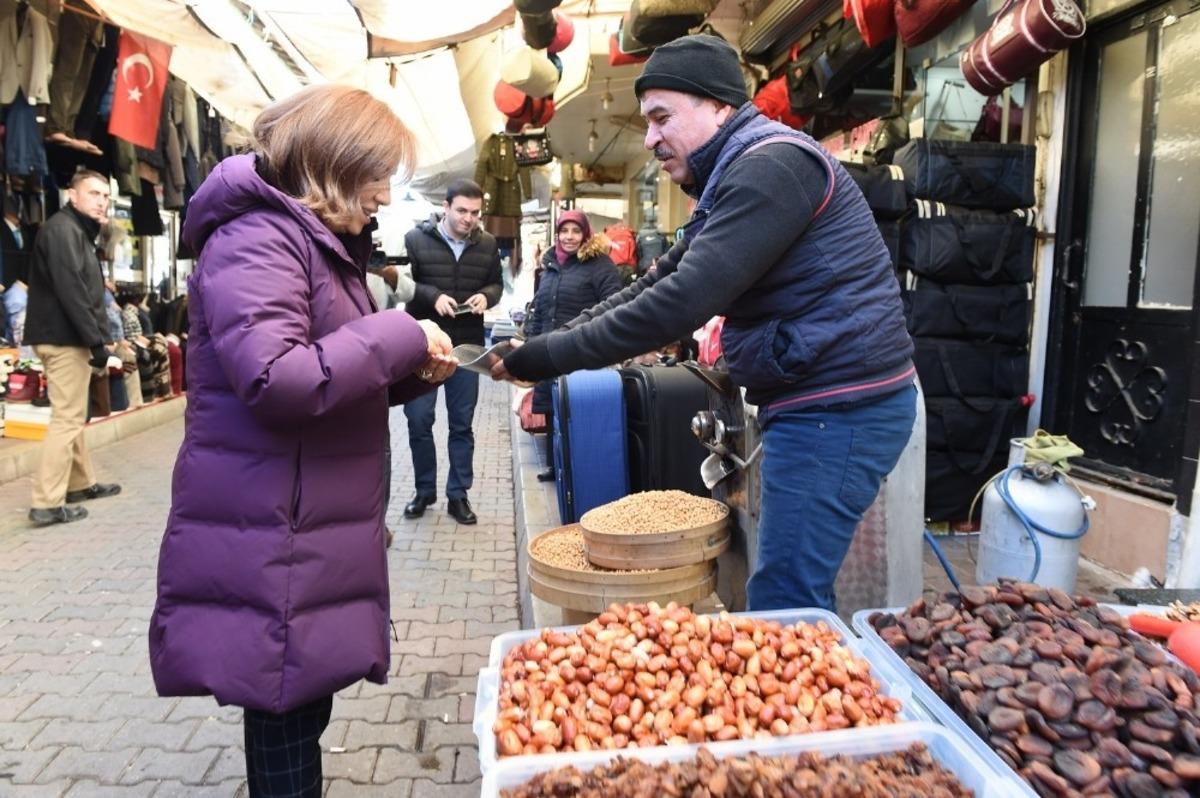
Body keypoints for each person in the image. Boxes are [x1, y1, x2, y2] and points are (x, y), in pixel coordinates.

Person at [493, 35, 916, 613]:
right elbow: (654, 282)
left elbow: (679, 303)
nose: (651, 139)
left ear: (719, 106)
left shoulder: (772, 167)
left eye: (662, 117)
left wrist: (548, 359)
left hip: (839, 407)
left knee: (784, 597)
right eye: (647, 122)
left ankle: (814, 697)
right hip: (815, 400)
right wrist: (541, 345)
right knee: (783, 586)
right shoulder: (732, 175)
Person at [147, 84, 456, 798]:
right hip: (273, 522)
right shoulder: (258, 235)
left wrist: (414, 369)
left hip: (302, 519)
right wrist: (399, 333)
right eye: (377, 170)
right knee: (283, 707)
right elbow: (281, 380)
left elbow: (336, 373)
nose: (384, 191)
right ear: (334, 162)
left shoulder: (315, 241)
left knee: (297, 701)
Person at [23, 170, 122, 527]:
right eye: (94, 193)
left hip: (66, 335)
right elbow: (72, 290)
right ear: (72, 194)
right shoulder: (64, 230)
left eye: (106, 197)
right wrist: (96, 340)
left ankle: (81, 484)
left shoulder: (73, 230)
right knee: (66, 418)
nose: (101, 201)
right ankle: (47, 502)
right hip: (64, 338)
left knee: (72, 412)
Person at [401, 178, 502, 525]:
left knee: (462, 425)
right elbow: (403, 290)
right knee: (418, 420)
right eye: (461, 210)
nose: (468, 218)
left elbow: (497, 284)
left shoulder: (487, 244)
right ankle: (423, 490)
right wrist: (433, 297)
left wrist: (487, 296)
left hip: (467, 348)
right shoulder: (415, 240)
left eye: (475, 212)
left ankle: (458, 495)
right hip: (423, 348)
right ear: (445, 207)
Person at [524, 210, 622, 481]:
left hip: (580, 350)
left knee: (576, 412)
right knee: (552, 410)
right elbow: (540, 310)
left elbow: (614, 304)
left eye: (575, 231)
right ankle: (556, 466)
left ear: (586, 234)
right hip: (547, 348)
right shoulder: (550, 266)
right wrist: (530, 345)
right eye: (564, 231)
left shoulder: (600, 265)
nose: (569, 237)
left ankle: (577, 469)